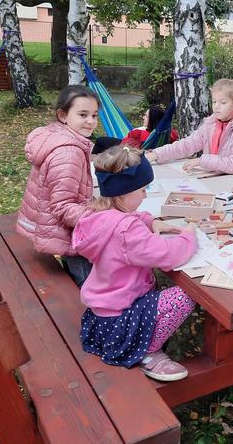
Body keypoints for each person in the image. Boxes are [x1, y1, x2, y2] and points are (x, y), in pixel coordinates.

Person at [73, 145, 198, 381]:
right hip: (122, 318)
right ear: (124, 191)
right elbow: (168, 255)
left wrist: (151, 222)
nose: (145, 195)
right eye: (143, 189)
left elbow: (128, 219)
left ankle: (142, 344)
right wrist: (189, 237)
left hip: (103, 314)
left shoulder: (97, 214)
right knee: (185, 297)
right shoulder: (127, 231)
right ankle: (147, 352)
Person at [16, 85, 100, 287]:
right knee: (88, 283)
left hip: (54, 226)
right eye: (83, 115)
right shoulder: (68, 153)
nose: (91, 121)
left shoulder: (58, 137)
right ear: (63, 115)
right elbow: (62, 206)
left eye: (94, 115)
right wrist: (100, 217)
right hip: (67, 234)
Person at [145, 79, 233, 179]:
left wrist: (201, 161)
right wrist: (157, 154)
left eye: (223, 102)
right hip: (211, 177)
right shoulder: (211, 123)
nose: (216, 106)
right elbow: (187, 144)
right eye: (214, 101)